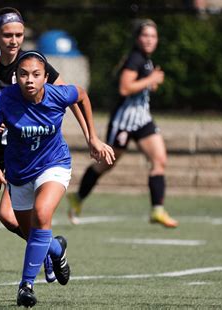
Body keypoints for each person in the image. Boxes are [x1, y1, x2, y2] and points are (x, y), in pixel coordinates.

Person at [0, 7, 90, 301]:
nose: (14, 40)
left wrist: (92, 136)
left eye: (19, 34)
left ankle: (47, 252)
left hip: (25, 154)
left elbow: (72, 94)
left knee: (13, 220)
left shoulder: (32, 66)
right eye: (7, 35)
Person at [0, 50, 115, 307]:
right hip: (18, 173)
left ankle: (25, 286)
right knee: (32, 233)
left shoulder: (58, 95)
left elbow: (81, 95)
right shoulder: (5, 98)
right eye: (23, 74)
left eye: (36, 74)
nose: (29, 79)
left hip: (54, 165)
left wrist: (92, 137)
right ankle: (57, 250)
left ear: (46, 77)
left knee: (42, 214)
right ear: (16, 77)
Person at [67, 19, 179, 228]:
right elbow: (125, 88)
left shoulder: (146, 60)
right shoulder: (135, 59)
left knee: (159, 159)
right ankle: (78, 197)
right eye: (145, 35)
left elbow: (140, 86)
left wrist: (150, 82)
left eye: (153, 36)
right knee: (107, 163)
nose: (149, 40)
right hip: (124, 121)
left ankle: (157, 210)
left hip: (142, 119)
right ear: (137, 38)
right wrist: (151, 79)